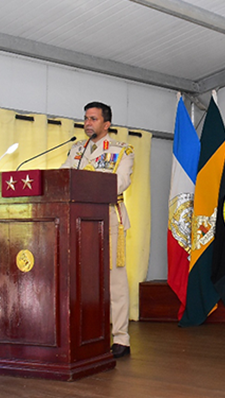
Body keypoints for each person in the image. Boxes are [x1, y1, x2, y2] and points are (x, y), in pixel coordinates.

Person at [61, 101, 134, 358]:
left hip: (109, 218)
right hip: (78, 221)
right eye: (86, 118)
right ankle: (87, 334)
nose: (87, 123)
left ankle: (121, 338)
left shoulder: (121, 150)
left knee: (115, 281)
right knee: (84, 280)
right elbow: (63, 177)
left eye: (93, 119)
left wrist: (84, 186)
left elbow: (119, 182)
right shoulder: (76, 149)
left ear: (106, 124)